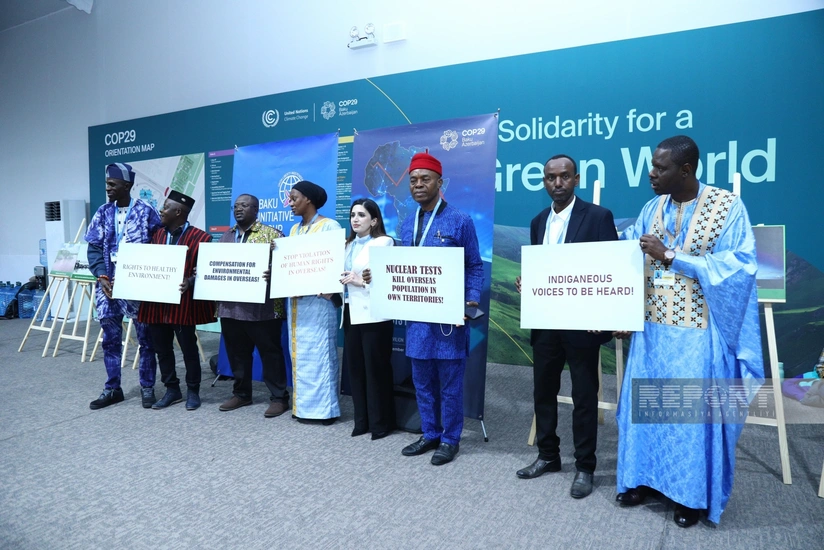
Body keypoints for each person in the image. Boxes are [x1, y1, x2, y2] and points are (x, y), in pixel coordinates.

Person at [614, 135, 764, 527]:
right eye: (652, 165)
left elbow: (740, 266)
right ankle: (641, 480)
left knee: (690, 416)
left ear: (685, 170)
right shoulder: (652, 208)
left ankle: (689, 496)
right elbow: (625, 255)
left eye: (659, 168)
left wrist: (671, 256)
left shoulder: (727, 207)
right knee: (646, 409)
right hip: (652, 332)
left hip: (699, 334)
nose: (651, 174)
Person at [366, 152, 484, 466]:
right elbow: (403, 267)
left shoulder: (460, 220)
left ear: (439, 182)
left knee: (450, 384)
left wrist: (471, 299)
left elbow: (474, 266)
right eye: (413, 180)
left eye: (425, 179)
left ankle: (450, 439)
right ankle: (430, 433)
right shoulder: (407, 223)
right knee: (422, 381)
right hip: (418, 318)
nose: (418, 185)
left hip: (448, 319)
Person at [514, 154, 618, 498]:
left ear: (576, 179)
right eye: (550, 177)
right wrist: (528, 282)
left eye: (564, 176)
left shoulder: (599, 217)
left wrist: (605, 315)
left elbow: (611, 269)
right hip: (545, 322)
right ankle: (548, 456)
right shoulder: (538, 221)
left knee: (584, 396)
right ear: (544, 181)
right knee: (543, 392)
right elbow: (544, 270)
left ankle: (585, 467)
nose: (557, 183)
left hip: (582, 325)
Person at [86, 163, 161, 410]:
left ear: (126, 186)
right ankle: (112, 388)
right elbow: (94, 248)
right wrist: (101, 276)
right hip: (107, 286)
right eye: (107, 184)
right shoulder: (102, 212)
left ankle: (147, 386)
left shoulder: (146, 211)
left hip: (138, 286)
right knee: (110, 339)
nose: (108, 188)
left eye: (112, 184)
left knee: (146, 338)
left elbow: (159, 245)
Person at [138, 191, 215, 411]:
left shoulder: (202, 238)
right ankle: (172, 389)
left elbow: (206, 271)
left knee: (188, 349)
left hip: (183, 305)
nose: (161, 211)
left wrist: (190, 281)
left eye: (165, 207)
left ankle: (193, 390)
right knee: (162, 350)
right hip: (155, 304)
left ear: (178, 212)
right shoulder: (156, 236)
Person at [217, 194, 290, 418]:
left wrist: (274, 272)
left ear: (256, 210)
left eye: (244, 205)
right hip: (231, 307)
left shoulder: (272, 235)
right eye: (236, 206)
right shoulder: (226, 237)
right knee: (237, 354)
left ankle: (279, 398)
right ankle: (241, 394)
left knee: (270, 354)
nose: (238, 209)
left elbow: (286, 267)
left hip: (262, 309)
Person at [340, 198, 395, 440]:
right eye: (353, 214)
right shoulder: (346, 244)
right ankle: (361, 421)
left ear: (374, 220)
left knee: (376, 369)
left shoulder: (384, 242)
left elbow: (387, 280)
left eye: (361, 215)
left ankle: (381, 423)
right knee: (355, 368)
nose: (355, 219)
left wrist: (359, 281)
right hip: (350, 311)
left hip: (375, 314)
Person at [287, 180, 342, 424]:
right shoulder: (294, 230)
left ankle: (326, 410)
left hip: (320, 304)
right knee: (300, 355)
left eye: (294, 198)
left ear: (308, 199)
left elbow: (336, 264)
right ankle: (302, 408)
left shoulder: (329, 226)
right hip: (297, 303)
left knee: (320, 354)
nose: (290, 203)